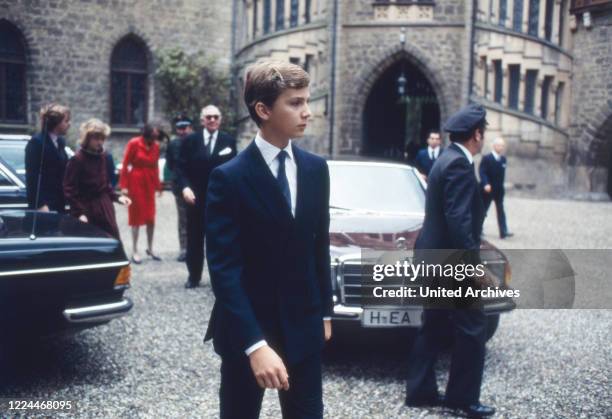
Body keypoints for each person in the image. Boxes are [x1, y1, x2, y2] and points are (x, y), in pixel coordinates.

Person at [204, 60, 333, 419]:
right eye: (294, 103)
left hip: (304, 327)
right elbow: (225, 271)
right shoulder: (228, 178)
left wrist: (324, 312)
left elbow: (317, 245)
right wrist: (254, 345)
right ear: (263, 109)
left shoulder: (315, 169)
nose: (306, 112)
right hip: (248, 332)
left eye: (307, 101)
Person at [405, 104, 495, 418]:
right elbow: (458, 219)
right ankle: (462, 399)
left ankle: (419, 391)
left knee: (433, 325)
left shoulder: (446, 159)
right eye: (483, 133)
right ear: (477, 134)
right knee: (473, 327)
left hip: (434, 256)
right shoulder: (458, 164)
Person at [174, 105, 236, 288]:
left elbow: (235, 170)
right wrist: (185, 188)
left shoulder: (228, 141)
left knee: (219, 241)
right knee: (194, 239)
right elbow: (180, 168)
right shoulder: (190, 141)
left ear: (220, 119)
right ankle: (194, 276)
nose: (212, 120)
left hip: (220, 201)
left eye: (215, 117)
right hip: (195, 199)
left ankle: (219, 279)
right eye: (208, 117)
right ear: (202, 120)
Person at [63, 119, 131, 239]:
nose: (100, 142)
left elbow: (105, 185)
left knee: (112, 241)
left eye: (102, 139)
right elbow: (70, 190)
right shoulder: (77, 159)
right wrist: (79, 213)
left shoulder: (103, 156)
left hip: (105, 208)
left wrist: (117, 197)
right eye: (96, 138)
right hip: (87, 209)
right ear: (87, 138)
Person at [120, 122, 167, 264]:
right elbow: (125, 164)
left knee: (150, 218)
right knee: (136, 217)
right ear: (147, 134)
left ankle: (150, 248)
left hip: (149, 183)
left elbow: (155, 167)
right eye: (153, 135)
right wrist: (124, 186)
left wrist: (158, 186)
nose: (155, 138)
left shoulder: (156, 146)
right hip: (135, 181)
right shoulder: (134, 143)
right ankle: (134, 250)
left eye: (156, 136)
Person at [25, 103, 71, 212]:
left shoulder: (60, 142)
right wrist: (40, 204)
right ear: (56, 123)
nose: (69, 124)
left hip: (59, 202)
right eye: (66, 121)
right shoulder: (36, 143)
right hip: (44, 206)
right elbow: (32, 177)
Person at [164, 114, 193, 262]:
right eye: (179, 128)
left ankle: (197, 249)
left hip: (196, 185)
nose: (182, 131)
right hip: (179, 186)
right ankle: (184, 249)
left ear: (190, 128)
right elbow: (170, 164)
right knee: (183, 219)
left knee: (197, 219)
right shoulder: (173, 144)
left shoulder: (196, 141)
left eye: (185, 128)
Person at [479, 137, 512, 239]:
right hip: (488, 189)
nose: (501, 147)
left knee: (501, 210)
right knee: (483, 210)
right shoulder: (487, 158)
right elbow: (482, 171)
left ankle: (503, 231)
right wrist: (485, 183)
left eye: (502, 145)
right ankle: (478, 230)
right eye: (499, 145)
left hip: (499, 190)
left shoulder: (503, 159)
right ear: (494, 146)